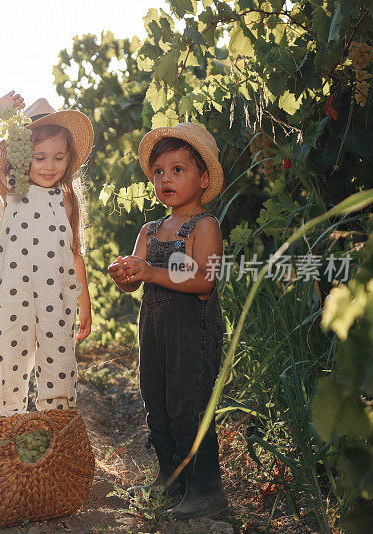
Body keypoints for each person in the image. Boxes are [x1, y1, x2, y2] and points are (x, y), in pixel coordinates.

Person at [108, 122, 228, 519]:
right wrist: (125, 276)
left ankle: (206, 490)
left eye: (178, 170)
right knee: (156, 400)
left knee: (188, 405)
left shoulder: (204, 226)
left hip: (192, 335)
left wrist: (152, 272)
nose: (166, 179)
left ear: (204, 178)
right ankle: (169, 478)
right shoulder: (151, 229)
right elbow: (136, 279)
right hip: (155, 333)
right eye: (158, 172)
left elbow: (204, 279)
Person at [0, 91, 93, 417]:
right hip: (14, 297)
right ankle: (9, 432)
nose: (50, 166)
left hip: (56, 298)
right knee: (9, 363)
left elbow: (74, 253)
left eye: (58, 157)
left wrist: (85, 302)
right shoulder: (12, 188)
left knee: (59, 367)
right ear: (24, 158)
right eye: (40, 157)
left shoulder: (66, 200)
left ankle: (55, 435)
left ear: (68, 159)